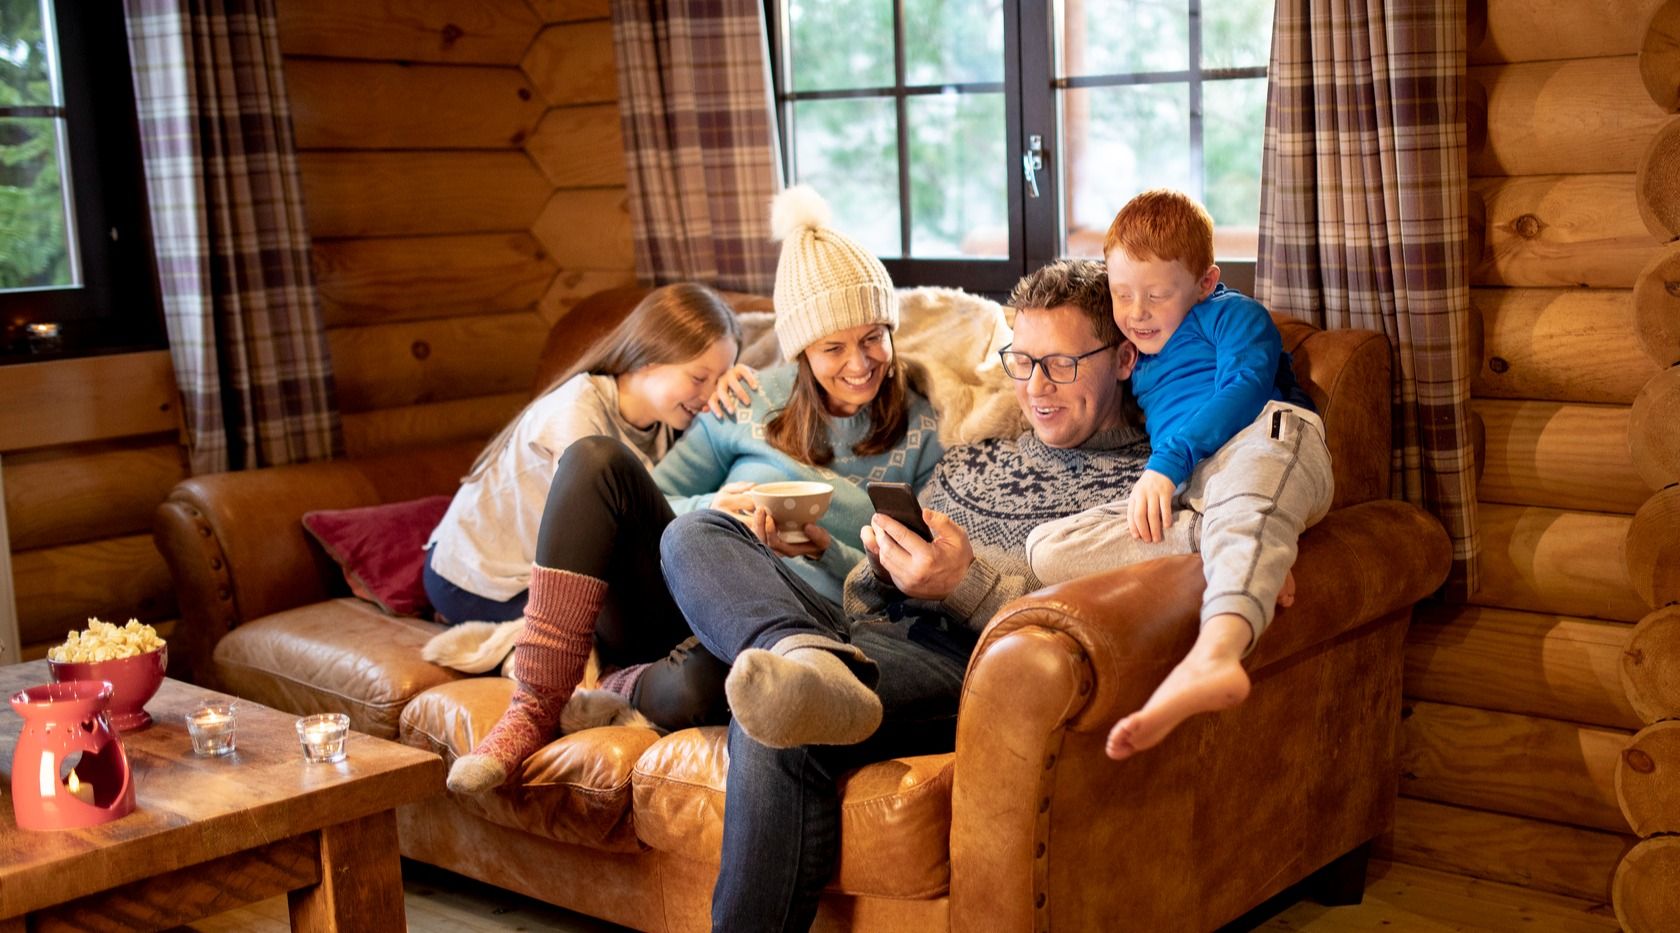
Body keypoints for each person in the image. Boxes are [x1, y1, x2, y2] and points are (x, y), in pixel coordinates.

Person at [658, 258, 1163, 930]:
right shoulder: (983, 451)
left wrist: (960, 584)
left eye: (1062, 364)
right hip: (857, 628)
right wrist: (864, 557)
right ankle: (798, 649)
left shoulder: (1142, 484)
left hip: (964, 659)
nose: (1036, 388)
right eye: (1023, 360)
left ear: (1123, 358)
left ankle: (806, 668)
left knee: (778, 718)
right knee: (694, 532)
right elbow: (880, 574)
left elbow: (1094, 616)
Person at [445, 185, 944, 794]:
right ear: (801, 352)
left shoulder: (922, 429)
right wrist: (717, 509)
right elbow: (646, 500)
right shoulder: (752, 397)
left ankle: (613, 686)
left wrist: (825, 552)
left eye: (874, 337)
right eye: (832, 346)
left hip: (781, 625)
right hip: (672, 590)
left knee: (719, 690)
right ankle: (532, 709)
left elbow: (914, 584)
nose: (859, 362)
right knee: (595, 459)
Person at [1025, 188, 1334, 761]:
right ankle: (1243, 542)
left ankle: (1216, 653)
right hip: (1203, 494)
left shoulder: (1232, 315)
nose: (1137, 312)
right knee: (1048, 548)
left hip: (1265, 438)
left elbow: (1244, 389)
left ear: (1205, 282)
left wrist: (1167, 465)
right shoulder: (1135, 354)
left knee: (1246, 483)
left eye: (1157, 295)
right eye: (1122, 295)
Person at [423, 282, 745, 626]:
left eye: (720, 380)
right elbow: (622, 534)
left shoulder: (669, 419)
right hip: (473, 579)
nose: (710, 395)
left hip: (548, 571)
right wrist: (709, 508)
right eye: (699, 378)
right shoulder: (577, 413)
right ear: (648, 358)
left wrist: (740, 392)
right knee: (623, 626)